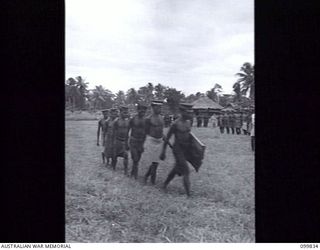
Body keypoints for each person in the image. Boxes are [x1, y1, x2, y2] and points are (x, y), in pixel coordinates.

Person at [160, 103, 194, 197]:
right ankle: (188, 194)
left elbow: (190, 135)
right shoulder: (175, 124)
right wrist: (163, 151)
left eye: (191, 112)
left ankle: (165, 184)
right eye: (188, 112)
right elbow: (167, 138)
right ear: (182, 112)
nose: (190, 114)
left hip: (186, 149)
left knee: (176, 169)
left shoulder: (189, 122)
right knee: (186, 170)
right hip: (177, 149)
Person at [144, 100, 165, 184]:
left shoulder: (161, 118)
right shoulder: (148, 119)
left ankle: (146, 176)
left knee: (156, 162)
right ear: (153, 108)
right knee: (154, 162)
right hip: (151, 141)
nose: (159, 109)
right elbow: (145, 131)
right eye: (157, 107)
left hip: (159, 141)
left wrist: (165, 139)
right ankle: (153, 181)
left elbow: (161, 131)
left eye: (160, 107)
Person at [128, 102, 148, 179]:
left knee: (137, 160)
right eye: (141, 110)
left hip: (141, 142)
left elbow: (145, 132)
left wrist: (143, 144)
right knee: (135, 158)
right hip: (133, 141)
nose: (142, 112)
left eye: (144, 111)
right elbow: (128, 130)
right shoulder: (133, 119)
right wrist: (127, 142)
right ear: (138, 110)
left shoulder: (146, 121)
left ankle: (132, 172)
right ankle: (135, 176)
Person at [112, 105, 130, 175]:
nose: (125, 114)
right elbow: (113, 133)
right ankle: (113, 168)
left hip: (124, 141)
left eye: (126, 112)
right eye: (124, 112)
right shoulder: (116, 121)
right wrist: (114, 143)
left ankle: (126, 171)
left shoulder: (127, 121)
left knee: (126, 155)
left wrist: (127, 142)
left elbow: (127, 132)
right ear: (120, 112)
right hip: (117, 141)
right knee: (115, 156)